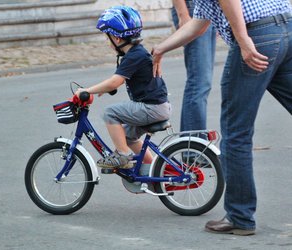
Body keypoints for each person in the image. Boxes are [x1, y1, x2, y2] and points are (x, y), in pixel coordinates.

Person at [152, 0, 292, 236]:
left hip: (256, 34)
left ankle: (240, 217)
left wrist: (243, 38)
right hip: (286, 28)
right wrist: (160, 48)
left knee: (237, 133)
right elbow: (199, 24)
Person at [76, 6, 171, 169]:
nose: (108, 42)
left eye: (108, 38)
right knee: (128, 137)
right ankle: (153, 169)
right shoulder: (136, 53)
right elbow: (118, 80)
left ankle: (122, 154)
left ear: (117, 38)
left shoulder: (134, 56)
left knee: (110, 112)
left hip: (151, 108)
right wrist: (103, 89)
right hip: (158, 106)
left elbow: (115, 82)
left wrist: (87, 90)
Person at [171, 0, 216, 133]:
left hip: (207, 11)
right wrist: (183, 14)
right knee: (199, 83)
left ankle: (190, 145)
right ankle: (192, 147)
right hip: (192, 11)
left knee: (201, 84)